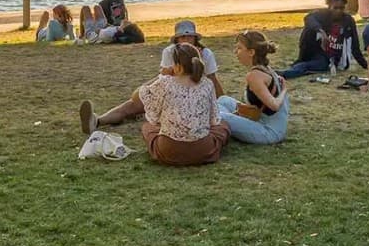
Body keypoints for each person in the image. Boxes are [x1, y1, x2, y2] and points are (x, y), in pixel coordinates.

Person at [80, 20, 224, 132]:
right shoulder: (171, 53)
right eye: (182, 37)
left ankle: (110, 118)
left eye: (189, 36)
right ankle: (97, 121)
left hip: (185, 100)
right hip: (171, 96)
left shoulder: (205, 55)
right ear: (177, 40)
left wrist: (222, 101)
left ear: (195, 38)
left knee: (143, 116)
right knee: (132, 105)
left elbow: (212, 80)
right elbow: (165, 80)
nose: (186, 40)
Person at [136, 43, 230, 165]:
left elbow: (143, 95)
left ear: (178, 67)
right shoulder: (207, 84)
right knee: (223, 126)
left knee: (147, 127)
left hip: (169, 150)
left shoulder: (165, 83)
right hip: (203, 150)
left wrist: (162, 75)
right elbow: (213, 121)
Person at [217, 31, 289, 145]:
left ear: (251, 52)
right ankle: (227, 124)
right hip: (266, 122)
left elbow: (274, 105)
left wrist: (284, 91)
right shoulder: (265, 68)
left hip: (269, 132)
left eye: (239, 48)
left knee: (217, 115)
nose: (235, 52)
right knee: (223, 100)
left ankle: (222, 128)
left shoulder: (254, 76)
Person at [280, 0, 366, 78]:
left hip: (331, 58)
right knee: (309, 29)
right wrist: (321, 31)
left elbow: (355, 46)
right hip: (318, 52)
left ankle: (285, 73)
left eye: (341, 8)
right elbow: (308, 18)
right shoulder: (322, 14)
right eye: (335, 8)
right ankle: (286, 72)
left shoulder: (348, 20)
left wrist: (365, 65)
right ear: (329, 6)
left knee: (306, 66)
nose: (339, 11)